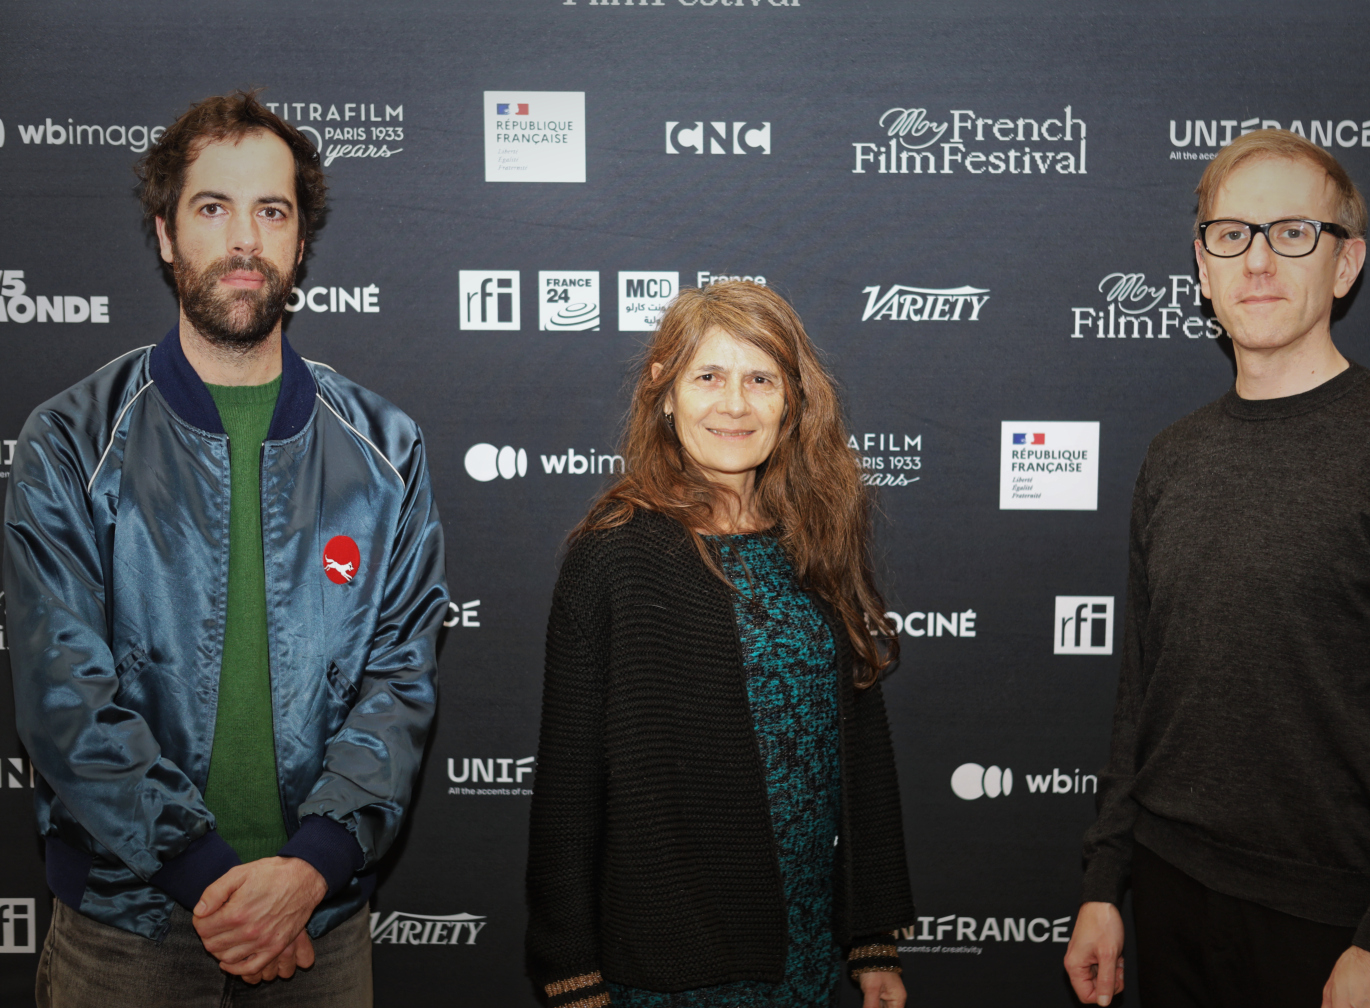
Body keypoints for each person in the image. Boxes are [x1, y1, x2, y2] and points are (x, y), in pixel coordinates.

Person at [3, 89, 447, 1006]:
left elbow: (400, 681)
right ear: (166, 234)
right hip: (125, 934)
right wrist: (209, 878)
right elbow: (63, 697)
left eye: (271, 211)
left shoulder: (386, 448)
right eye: (214, 208)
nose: (244, 239)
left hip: (317, 925)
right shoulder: (71, 441)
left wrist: (310, 869)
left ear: (297, 242)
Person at [1064, 129, 1370, 1008]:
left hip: (1336, 921)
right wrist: (1105, 882)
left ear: (1346, 264)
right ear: (1202, 267)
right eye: (1232, 235)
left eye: (1292, 233)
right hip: (1170, 887)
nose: (1258, 261)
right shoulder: (1171, 457)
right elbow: (1141, 691)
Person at [525, 281, 913, 1008]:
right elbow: (568, 787)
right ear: (664, 392)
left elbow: (859, 743)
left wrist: (872, 939)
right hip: (671, 966)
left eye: (760, 379)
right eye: (709, 376)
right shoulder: (613, 558)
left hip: (807, 960)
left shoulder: (815, 539)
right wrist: (570, 974)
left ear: (792, 402)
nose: (734, 405)